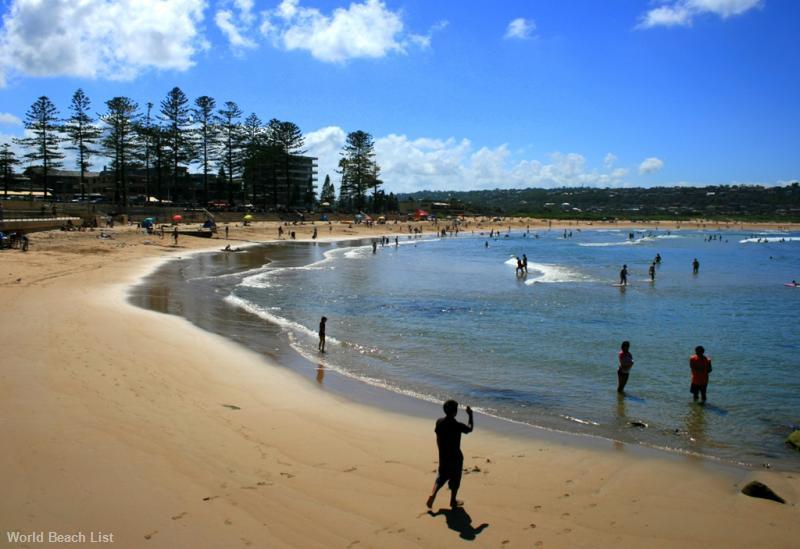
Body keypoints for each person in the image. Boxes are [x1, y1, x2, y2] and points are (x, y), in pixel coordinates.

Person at [427, 400, 473, 509]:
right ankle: (452, 501)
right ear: (455, 412)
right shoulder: (457, 425)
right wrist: (470, 415)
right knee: (455, 479)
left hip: (443, 455)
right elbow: (470, 428)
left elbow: (437, 436)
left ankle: (433, 494)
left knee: (441, 477)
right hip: (456, 457)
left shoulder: (439, 422)